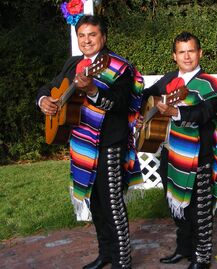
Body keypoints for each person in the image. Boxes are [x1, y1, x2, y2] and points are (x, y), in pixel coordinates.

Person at [36, 15, 144, 269]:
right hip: (83, 144)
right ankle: (105, 253)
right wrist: (43, 101)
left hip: (110, 143)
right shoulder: (73, 63)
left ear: (103, 37)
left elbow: (120, 104)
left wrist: (94, 90)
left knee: (112, 203)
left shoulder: (120, 67)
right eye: (82, 36)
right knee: (95, 203)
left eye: (92, 35)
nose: (87, 40)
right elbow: (49, 87)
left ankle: (122, 260)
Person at [141, 31, 217, 269]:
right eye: (181, 52)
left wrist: (177, 113)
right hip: (171, 153)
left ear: (199, 53)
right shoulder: (170, 78)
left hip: (199, 155)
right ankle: (183, 248)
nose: (187, 56)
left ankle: (201, 257)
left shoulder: (211, 84)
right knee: (175, 204)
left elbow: (205, 114)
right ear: (174, 56)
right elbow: (145, 95)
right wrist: (145, 113)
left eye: (191, 51)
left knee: (199, 211)